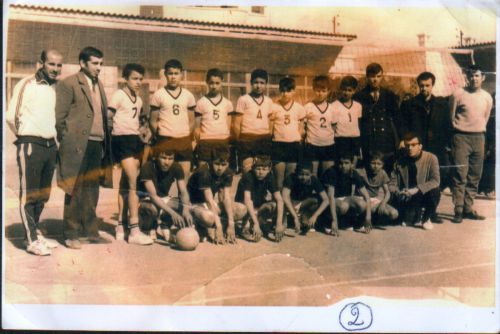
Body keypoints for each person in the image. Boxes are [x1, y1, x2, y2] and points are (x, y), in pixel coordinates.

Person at [55, 46, 113, 249]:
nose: (99, 68)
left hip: (97, 144)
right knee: (74, 188)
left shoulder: (99, 85)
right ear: (82, 63)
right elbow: (59, 119)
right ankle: (71, 233)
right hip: (77, 145)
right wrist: (69, 140)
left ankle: (90, 231)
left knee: (91, 189)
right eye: (95, 63)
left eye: (101, 64)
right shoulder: (69, 83)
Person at [7, 49, 63, 255]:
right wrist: (26, 136)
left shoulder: (53, 88)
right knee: (29, 195)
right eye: (51, 64)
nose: (56, 69)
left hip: (50, 146)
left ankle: (35, 232)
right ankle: (30, 240)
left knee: (43, 194)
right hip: (30, 144)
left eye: (59, 65)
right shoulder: (27, 84)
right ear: (41, 63)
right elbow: (11, 116)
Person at [108, 63, 152, 244]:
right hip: (121, 141)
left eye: (141, 79)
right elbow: (108, 117)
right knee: (134, 182)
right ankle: (134, 231)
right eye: (134, 78)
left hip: (134, 141)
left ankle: (120, 225)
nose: (138, 82)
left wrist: (143, 132)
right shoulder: (119, 94)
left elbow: (138, 121)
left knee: (126, 182)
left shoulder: (139, 99)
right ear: (125, 79)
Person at [449, 65, 493, 224]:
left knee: (475, 175)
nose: (474, 79)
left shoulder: (487, 97)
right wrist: (460, 131)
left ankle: (468, 208)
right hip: (461, 137)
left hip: (479, 137)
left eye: (477, 75)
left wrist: (478, 130)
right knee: (460, 174)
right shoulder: (458, 94)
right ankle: (458, 210)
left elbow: (485, 118)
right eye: (471, 76)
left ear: (483, 78)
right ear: (466, 77)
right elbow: (451, 117)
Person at [400, 71, 452, 201]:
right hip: (417, 147)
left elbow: (448, 126)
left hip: (437, 147)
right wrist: (406, 141)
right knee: (417, 175)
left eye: (427, 85)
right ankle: (415, 206)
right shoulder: (409, 104)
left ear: (432, 85)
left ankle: (432, 209)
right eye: (422, 85)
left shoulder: (442, 104)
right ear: (418, 85)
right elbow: (403, 125)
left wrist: (446, 144)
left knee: (440, 174)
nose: (424, 88)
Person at [187, 148, 247, 244]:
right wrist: (218, 226)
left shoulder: (228, 172)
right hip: (194, 204)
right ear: (211, 162)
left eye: (223, 165)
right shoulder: (204, 172)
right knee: (208, 217)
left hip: (209, 205)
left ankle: (218, 226)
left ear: (227, 163)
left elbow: (225, 197)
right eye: (217, 164)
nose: (220, 168)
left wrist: (231, 223)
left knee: (242, 209)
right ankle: (199, 223)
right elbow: (209, 200)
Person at [150, 59, 196, 181]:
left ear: (181, 74)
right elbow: (153, 121)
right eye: (170, 73)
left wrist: (185, 134)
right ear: (165, 74)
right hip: (165, 139)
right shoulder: (158, 94)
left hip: (183, 140)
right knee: (163, 176)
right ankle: (161, 199)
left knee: (184, 175)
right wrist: (161, 135)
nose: (173, 77)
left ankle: (183, 199)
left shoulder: (188, 95)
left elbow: (192, 121)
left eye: (176, 73)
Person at [137, 148, 193, 243]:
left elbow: (183, 192)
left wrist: (186, 210)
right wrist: (173, 213)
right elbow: (153, 196)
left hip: (163, 199)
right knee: (153, 208)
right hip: (146, 200)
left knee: (185, 205)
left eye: (170, 158)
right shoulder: (148, 166)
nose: (167, 162)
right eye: (163, 158)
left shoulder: (176, 167)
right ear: (156, 157)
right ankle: (148, 227)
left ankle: (164, 225)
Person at [354, 63, 400, 173]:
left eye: (378, 76)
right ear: (367, 77)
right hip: (368, 141)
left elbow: (397, 119)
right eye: (372, 76)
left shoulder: (390, 95)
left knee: (387, 172)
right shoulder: (358, 97)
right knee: (370, 172)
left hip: (385, 141)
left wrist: (400, 139)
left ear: (382, 77)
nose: (375, 80)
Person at [389, 132, 440, 230]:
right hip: (406, 196)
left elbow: (435, 181)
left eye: (413, 145)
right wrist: (399, 192)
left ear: (420, 146)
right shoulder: (400, 162)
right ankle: (412, 214)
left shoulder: (431, 158)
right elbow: (392, 184)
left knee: (435, 190)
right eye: (407, 145)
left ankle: (426, 217)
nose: (410, 148)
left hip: (423, 194)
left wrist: (417, 189)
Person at [232, 69, 273, 174]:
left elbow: (270, 122)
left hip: (263, 139)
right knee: (248, 171)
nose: (258, 86)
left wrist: (269, 136)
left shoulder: (269, 101)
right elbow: (237, 124)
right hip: (247, 140)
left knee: (263, 172)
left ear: (266, 84)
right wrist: (239, 141)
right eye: (256, 82)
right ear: (251, 83)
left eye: (262, 83)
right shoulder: (243, 99)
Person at [235, 156, 285, 242]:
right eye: (258, 169)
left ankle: (258, 221)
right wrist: (256, 224)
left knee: (274, 205)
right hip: (244, 207)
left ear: (269, 169)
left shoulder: (270, 177)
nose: (261, 172)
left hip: (257, 206)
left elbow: (279, 199)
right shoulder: (248, 176)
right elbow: (247, 200)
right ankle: (246, 225)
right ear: (253, 168)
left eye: (264, 169)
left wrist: (279, 223)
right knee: (244, 208)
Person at [322, 152, 372, 233]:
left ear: (352, 164)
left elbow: (366, 195)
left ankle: (346, 222)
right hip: (328, 201)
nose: (343, 166)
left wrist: (368, 217)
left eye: (346, 163)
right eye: (341, 163)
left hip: (343, 199)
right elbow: (330, 197)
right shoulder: (331, 172)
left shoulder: (353, 173)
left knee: (362, 204)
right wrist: (334, 220)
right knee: (343, 206)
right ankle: (327, 222)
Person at [270, 77, 306, 189]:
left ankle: (287, 202)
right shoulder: (274, 106)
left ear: (293, 91)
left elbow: (302, 127)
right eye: (283, 91)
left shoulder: (299, 108)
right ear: (280, 90)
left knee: (290, 178)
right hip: (279, 145)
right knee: (279, 179)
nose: (285, 94)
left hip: (293, 146)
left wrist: (299, 138)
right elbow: (270, 127)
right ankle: (278, 203)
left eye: (288, 91)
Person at [194, 68, 233, 167]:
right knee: (203, 171)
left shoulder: (227, 104)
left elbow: (228, 126)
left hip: (222, 141)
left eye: (217, 83)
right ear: (207, 82)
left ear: (222, 82)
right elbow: (197, 128)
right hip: (206, 142)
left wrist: (225, 139)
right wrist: (201, 142)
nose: (214, 86)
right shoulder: (201, 102)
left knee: (222, 171)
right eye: (211, 83)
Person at [282, 161, 329, 235]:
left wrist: (315, 216)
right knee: (282, 201)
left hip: (303, 204)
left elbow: (326, 200)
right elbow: (285, 197)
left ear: (311, 174)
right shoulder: (290, 177)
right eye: (301, 174)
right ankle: (285, 222)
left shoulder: (314, 179)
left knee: (315, 200)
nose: (304, 177)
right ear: (296, 172)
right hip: (291, 204)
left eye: (307, 174)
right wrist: (295, 217)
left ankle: (304, 218)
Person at [303, 75, 336, 176]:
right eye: (318, 90)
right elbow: (303, 126)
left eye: (323, 91)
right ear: (313, 90)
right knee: (313, 174)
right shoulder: (308, 107)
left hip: (328, 145)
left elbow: (334, 127)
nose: (320, 93)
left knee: (328, 173)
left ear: (328, 91)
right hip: (312, 145)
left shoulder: (332, 108)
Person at [357, 151, 399, 224]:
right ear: (368, 163)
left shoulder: (382, 173)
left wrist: (383, 203)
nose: (376, 166)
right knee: (364, 207)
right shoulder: (362, 172)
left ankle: (376, 219)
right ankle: (360, 220)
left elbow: (387, 192)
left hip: (374, 200)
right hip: (362, 199)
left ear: (382, 165)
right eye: (373, 163)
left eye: (379, 164)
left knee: (394, 213)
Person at [332, 75, 363, 166]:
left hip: (355, 140)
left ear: (354, 91)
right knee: (341, 165)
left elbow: (358, 124)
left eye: (349, 90)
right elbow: (333, 127)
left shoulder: (358, 106)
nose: (346, 92)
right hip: (341, 139)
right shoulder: (334, 105)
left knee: (353, 166)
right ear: (340, 90)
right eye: (344, 90)